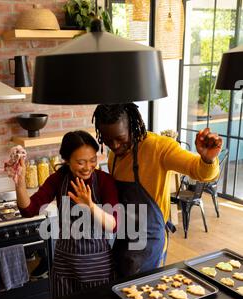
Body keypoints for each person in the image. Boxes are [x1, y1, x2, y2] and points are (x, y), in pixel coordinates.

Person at [92, 103, 222, 277]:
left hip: (150, 241)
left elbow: (198, 171)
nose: (114, 146)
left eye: (120, 138)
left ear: (132, 126)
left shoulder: (159, 147)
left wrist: (207, 160)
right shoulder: (114, 156)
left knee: (145, 295)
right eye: (108, 140)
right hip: (124, 237)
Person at [10, 130, 118, 298]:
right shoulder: (58, 179)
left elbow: (113, 225)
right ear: (66, 160)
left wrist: (90, 205)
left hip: (98, 268)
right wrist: (19, 183)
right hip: (65, 268)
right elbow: (28, 210)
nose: (88, 167)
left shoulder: (104, 181)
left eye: (92, 160)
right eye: (81, 162)